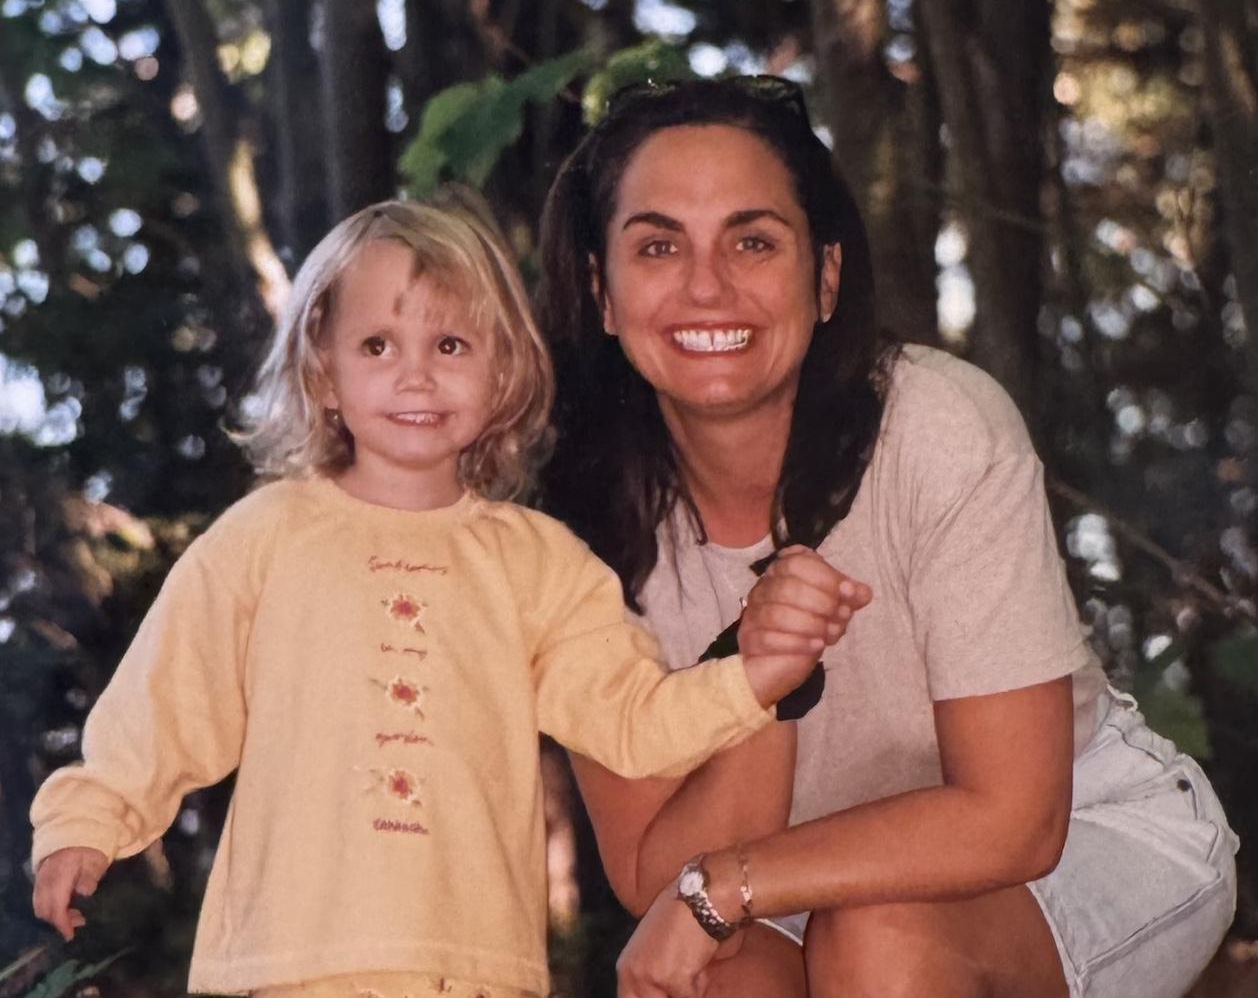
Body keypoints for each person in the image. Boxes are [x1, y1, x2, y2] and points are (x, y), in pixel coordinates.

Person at [29, 193, 863, 998]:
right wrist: (87, 822)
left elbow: (632, 721)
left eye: (452, 347)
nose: (417, 377)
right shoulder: (266, 538)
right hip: (293, 958)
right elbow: (169, 697)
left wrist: (752, 676)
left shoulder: (540, 565)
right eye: (379, 347)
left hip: (474, 965)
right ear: (324, 371)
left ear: (502, 373)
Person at [537, 76, 1239, 998]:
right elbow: (649, 869)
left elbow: (1015, 819)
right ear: (602, 291)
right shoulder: (577, 526)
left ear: (825, 277)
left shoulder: (934, 426)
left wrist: (724, 887)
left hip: (1082, 832)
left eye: (753, 241)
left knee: (878, 937)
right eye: (659, 245)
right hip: (790, 881)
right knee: (715, 978)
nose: (706, 285)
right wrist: (760, 679)